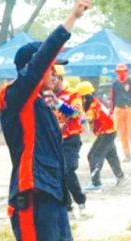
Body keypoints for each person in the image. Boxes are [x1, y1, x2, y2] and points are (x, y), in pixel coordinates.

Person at [0, 1, 90, 241]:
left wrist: (71, 197)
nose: (56, 76)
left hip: (53, 201)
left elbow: (60, 157)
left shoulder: (47, 108)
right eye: (52, 70)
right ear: (33, 71)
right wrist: (72, 19)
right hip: (31, 198)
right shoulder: (15, 97)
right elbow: (43, 59)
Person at [51, 65, 87, 217]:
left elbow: (75, 113)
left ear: (60, 78)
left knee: (67, 170)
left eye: (54, 78)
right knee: (58, 173)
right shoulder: (46, 95)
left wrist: (58, 103)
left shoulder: (72, 94)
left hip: (70, 138)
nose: (52, 82)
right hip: (55, 140)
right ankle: (68, 207)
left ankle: (81, 202)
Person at [78, 81, 125, 191]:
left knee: (93, 156)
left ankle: (96, 183)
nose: (80, 101)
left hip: (106, 133)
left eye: (81, 98)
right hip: (110, 131)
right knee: (111, 155)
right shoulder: (96, 102)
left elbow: (88, 118)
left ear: (86, 97)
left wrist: (76, 118)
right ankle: (120, 176)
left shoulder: (93, 106)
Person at [110, 63, 131, 162]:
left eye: (123, 71)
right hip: (119, 109)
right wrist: (111, 111)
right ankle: (127, 155)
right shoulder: (114, 84)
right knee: (122, 133)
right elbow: (112, 98)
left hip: (130, 108)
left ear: (127, 72)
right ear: (117, 73)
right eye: (119, 72)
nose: (121, 73)